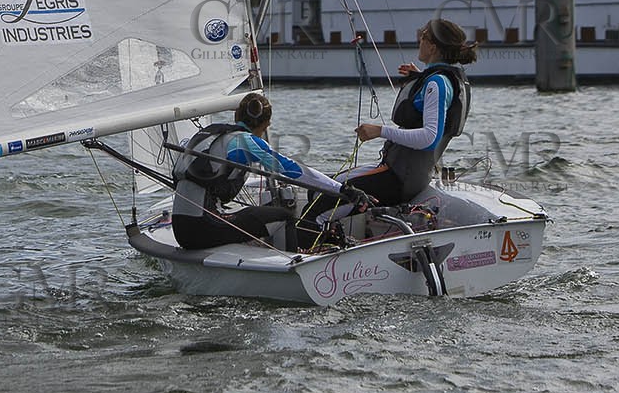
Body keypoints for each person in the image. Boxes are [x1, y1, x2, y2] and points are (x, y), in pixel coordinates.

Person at [296, 19, 475, 249]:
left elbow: (429, 138)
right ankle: (332, 244)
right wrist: (418, 76)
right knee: (328, 185)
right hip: (400, 170)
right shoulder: (437, 79)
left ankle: (306, 260)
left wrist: (379, 131)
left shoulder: (437, 84)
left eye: (423, 37)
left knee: (317, 208)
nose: (418, 41)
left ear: (432, 47)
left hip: (401, 179)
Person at [170, 92, 354, 251]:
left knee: (253, 214)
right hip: (204, 227)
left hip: (181, 228)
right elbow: (291, 169)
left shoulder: (209, 137)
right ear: (266, 123)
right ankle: (292, 264)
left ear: (236, 116)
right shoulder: (245, 142)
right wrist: (341, 189)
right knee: (284, 218)